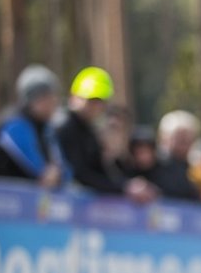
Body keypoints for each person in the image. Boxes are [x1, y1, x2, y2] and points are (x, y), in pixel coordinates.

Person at [55, 66, 155, 203]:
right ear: (74, 97)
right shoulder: (63, 126)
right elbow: (80, 174)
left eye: (99, 101)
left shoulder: (88, 130)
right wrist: (124, 188)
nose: (95, 106)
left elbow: (100, 172)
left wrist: (128, 185)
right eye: (91, 100)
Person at [0, 64, 72, 188]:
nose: (54, 102)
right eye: (47, 97)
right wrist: (48, 174)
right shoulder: (13, 123)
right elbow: (35, 166)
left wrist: (59, 174)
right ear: (33, 99)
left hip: (31, 200)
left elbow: (63, 165)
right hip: (4, 199)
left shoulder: (46, 127)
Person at [153, 110, 201, 201]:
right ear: (164, 138)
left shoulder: (198, 168)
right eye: (180, 139)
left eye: (188, 139)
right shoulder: (153, 165)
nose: (185, 144)